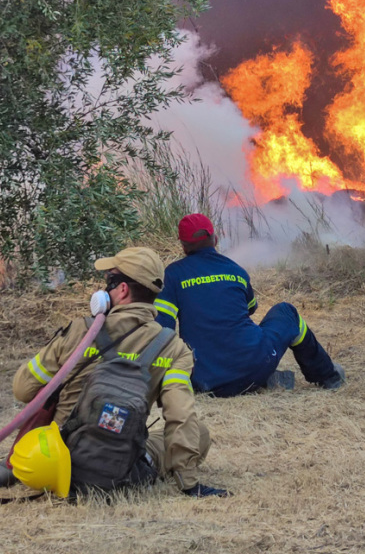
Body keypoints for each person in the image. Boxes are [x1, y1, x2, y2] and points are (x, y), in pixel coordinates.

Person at [4, 247, 227, 498]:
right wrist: (189, 482)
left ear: (122, 290)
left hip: (55, 460)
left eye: (109, 281)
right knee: (199, 433)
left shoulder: (78, 331)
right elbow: (180, 415)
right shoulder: (173, 348)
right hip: (120, 463)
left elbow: (23, 390)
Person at [153, 213, 345, 397]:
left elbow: (161, 329)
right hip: (255, 367)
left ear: (183, 246)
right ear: (215, 239)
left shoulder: (172, 275)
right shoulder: (236, 271)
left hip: (204, 378)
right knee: (287, 312)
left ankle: (262, 379)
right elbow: (251, 308)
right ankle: (328, 376)